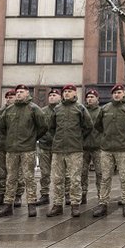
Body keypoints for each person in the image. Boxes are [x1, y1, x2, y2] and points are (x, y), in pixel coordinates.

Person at [0, 84, 48, 218]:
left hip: (27, 150)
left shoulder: (34, 109)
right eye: (17, 92)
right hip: (12, 150)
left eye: (21, 91)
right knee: (11, 178)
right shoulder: (9, 109)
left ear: (27, 93)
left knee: (29, 177)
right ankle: (8, 204)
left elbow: (43, 127)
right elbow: (2, 127)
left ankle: (31, 204)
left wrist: (32, 138)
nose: (18, 94)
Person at [46, 85, 93, 218]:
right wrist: (57, 138)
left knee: (75, 179)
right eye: (65, 92)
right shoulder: (57, 109)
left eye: (69, 91)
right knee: (57, 179)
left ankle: (75, 205)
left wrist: (78, 137)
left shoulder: (80, 108)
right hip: (58, 149)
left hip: (75, 149)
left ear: (74, 93)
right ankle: (57, 205)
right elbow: (51, 127)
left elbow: (88, 126)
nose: (66, 94)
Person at [93, 84, 125, 217]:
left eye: (119, 92)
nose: (117, 95)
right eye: (115, 93)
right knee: (105, 177)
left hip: (123, 149)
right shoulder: (105, 109)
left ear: (124, 94)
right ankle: (103, 203)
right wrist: (106, 136)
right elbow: (98, 125)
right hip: (107, 149)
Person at [0, 90, 23, 208]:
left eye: (11, 97)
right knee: (1, 172)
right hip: (2, 146)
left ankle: (18, 195)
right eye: (7, 97)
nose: (9, 99)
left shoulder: (20, 111)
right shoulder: (0, 112)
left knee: (17, 173)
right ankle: (1, 194)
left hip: (15, 147)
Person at [37, 89, 61, 206]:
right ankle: (44, 194)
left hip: (59, 147)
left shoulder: (62, 110)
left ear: (60, 97)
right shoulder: (42, 111)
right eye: (50, 95)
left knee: (60, 174)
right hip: (44, 145)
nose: (51, 97)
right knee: (45, 173)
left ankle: (64, 194)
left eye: (54, 95)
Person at [82, 89, 103, 204]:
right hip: (84, 147)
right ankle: (83, 194)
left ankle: (101, 195)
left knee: (100, 173)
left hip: (98, 147)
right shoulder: (82, 111)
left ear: (97, 99)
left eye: (92, 97)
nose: (89, 99)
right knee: (82, 172)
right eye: (88, 97)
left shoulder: (101, 111)